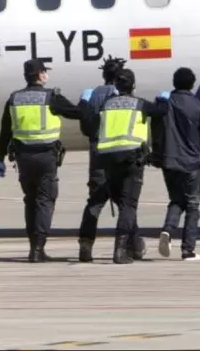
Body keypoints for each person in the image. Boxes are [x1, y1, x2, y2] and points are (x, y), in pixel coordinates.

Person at [0, 59, 80, 262]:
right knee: (45, 200)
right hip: (46, 157)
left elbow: (5, 130)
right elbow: (76, 113)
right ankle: (38, 249)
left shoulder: (14, 98)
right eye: (45, 72)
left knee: (30, 201)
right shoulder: (51, 97)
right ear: (40, 75)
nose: (46, 75)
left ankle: (33, 246)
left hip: (23, 158)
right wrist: (86, 102)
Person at [93, 69, 169, 264]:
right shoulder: (139, 104)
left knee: (123, 204)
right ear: (133, 85)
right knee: (129, 205)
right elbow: (161, 112)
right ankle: (119, 250)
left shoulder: (105, 104)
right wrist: (163, 101)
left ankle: (135, 246)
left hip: (108, 159)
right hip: (131, 158)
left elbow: (93, 123)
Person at [76, 55, 145, 263]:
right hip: (122, 152)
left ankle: (85, 244)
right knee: (127, 203)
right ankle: (133, 246)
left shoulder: (90, 94)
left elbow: (85, 125)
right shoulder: (122, 96)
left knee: (95, 202)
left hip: (98, 152)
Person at [153, 68, 200, 262]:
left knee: (177, 199)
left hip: (169, 160)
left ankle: (168, 230)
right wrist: (197, 152)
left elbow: (157, 130)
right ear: (192, 83)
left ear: (174, 82)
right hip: (191, 162)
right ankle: (188, 250)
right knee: (193, 205)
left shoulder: (165, 103)